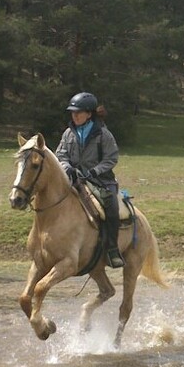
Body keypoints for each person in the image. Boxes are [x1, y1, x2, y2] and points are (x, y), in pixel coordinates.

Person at [54, 91, 125, 269]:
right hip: (74, 179)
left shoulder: (104, 134)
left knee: (111, 206)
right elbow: (60, 154)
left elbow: (111, 158)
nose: (75, 115)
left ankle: (112, 249)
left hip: (100, 181)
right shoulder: (68, 134)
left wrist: (94, 171)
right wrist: (66, 167)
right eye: (72, 112)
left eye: (78, 112)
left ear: (89, 114)